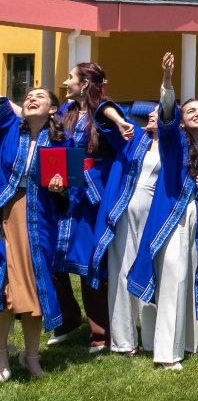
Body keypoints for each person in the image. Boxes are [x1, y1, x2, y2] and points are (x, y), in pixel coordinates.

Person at [126, 53, 198, 369]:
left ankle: (185, 344)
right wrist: (167, 80)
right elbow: (166, 116)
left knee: (190, 280)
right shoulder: (173, 143)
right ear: (182, 120)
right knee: (171, 280)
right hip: (170, 221)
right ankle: (166, 355)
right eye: (192, 110)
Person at [50, 62, 131, 353]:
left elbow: (120, 150)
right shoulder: (64, 113)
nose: (65, 82)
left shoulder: (106, 114)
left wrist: (87, 178)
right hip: (61, 193)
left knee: (90, 263)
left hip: (92, 197)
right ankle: (68, 318)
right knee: (51, 258)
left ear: (84, 83)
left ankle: (100, 332)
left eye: (70, 78)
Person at [0, 87, 70, 379]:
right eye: (28, 96)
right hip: (4, 213)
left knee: (32, 289)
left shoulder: (63, 142)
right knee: (3, 287)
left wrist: (60, 188)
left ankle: (31, 358)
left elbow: (70, 191)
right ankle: (2, 356)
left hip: (39, 220)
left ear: (53, 109)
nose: (31, 99)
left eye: (40, 97)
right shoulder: (8, 130)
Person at [91, 105, 158, 356]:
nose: (152, 115)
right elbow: (103, 110)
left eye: (159, 112)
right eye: (150, 113)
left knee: (153, 272)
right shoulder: (134, 138)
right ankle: (124, 341)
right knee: (121, 271)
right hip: (122, 213)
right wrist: (121, 121)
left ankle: (152, 339)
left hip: (157, 216)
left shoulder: (178, 146)